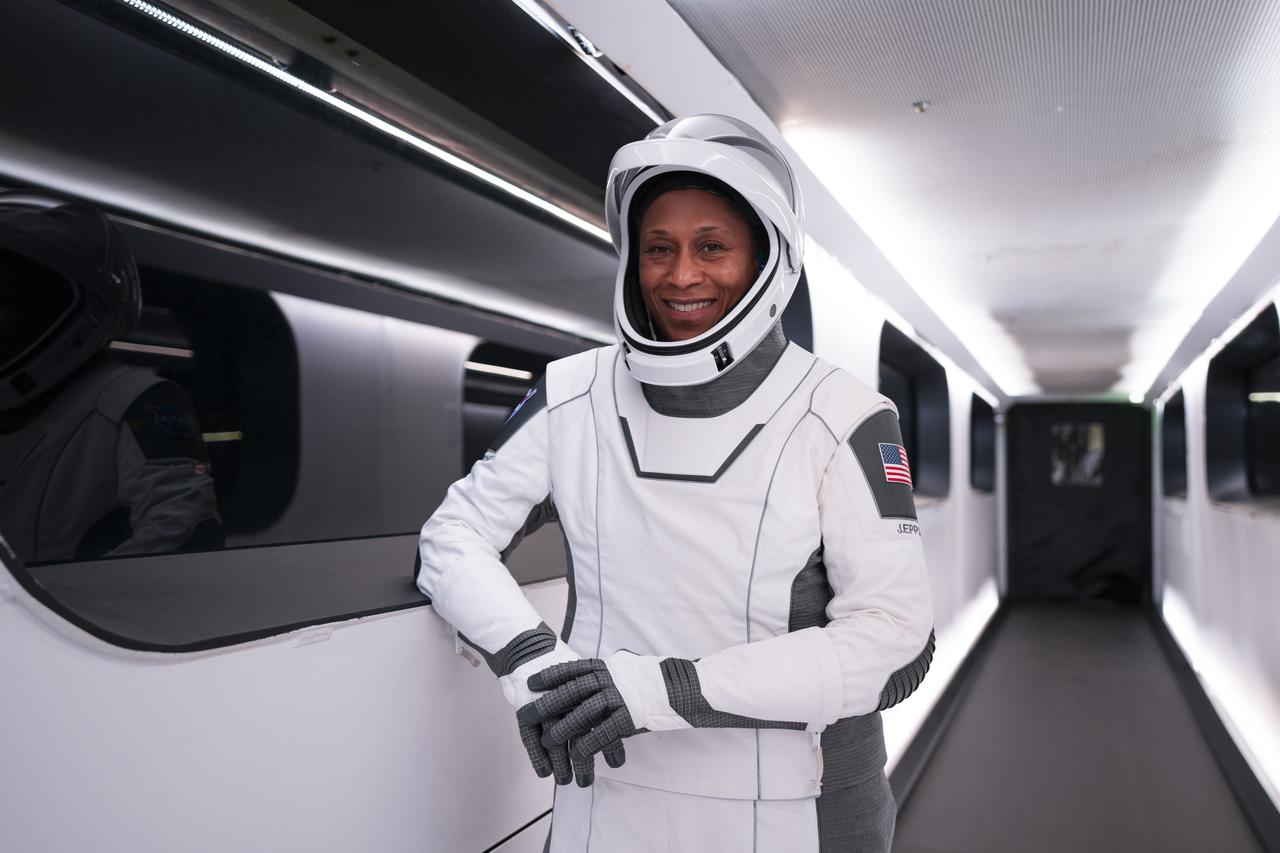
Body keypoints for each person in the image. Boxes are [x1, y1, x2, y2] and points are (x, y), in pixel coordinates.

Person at [416, 115, 935, 852]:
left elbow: (895, 644)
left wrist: (659, 691)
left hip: (801, 805)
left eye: (712, 247)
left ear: (767, 260)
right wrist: (533, 661)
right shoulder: (575, 393)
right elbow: (452, 537)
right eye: (658, 249)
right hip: (609, 793)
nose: (681, 275)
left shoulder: (843, 414)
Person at [0, 192, 223, 563]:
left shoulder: (135, 398)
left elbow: (186, 527)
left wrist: (68, 603)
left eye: (6, 299)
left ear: (73, 309)